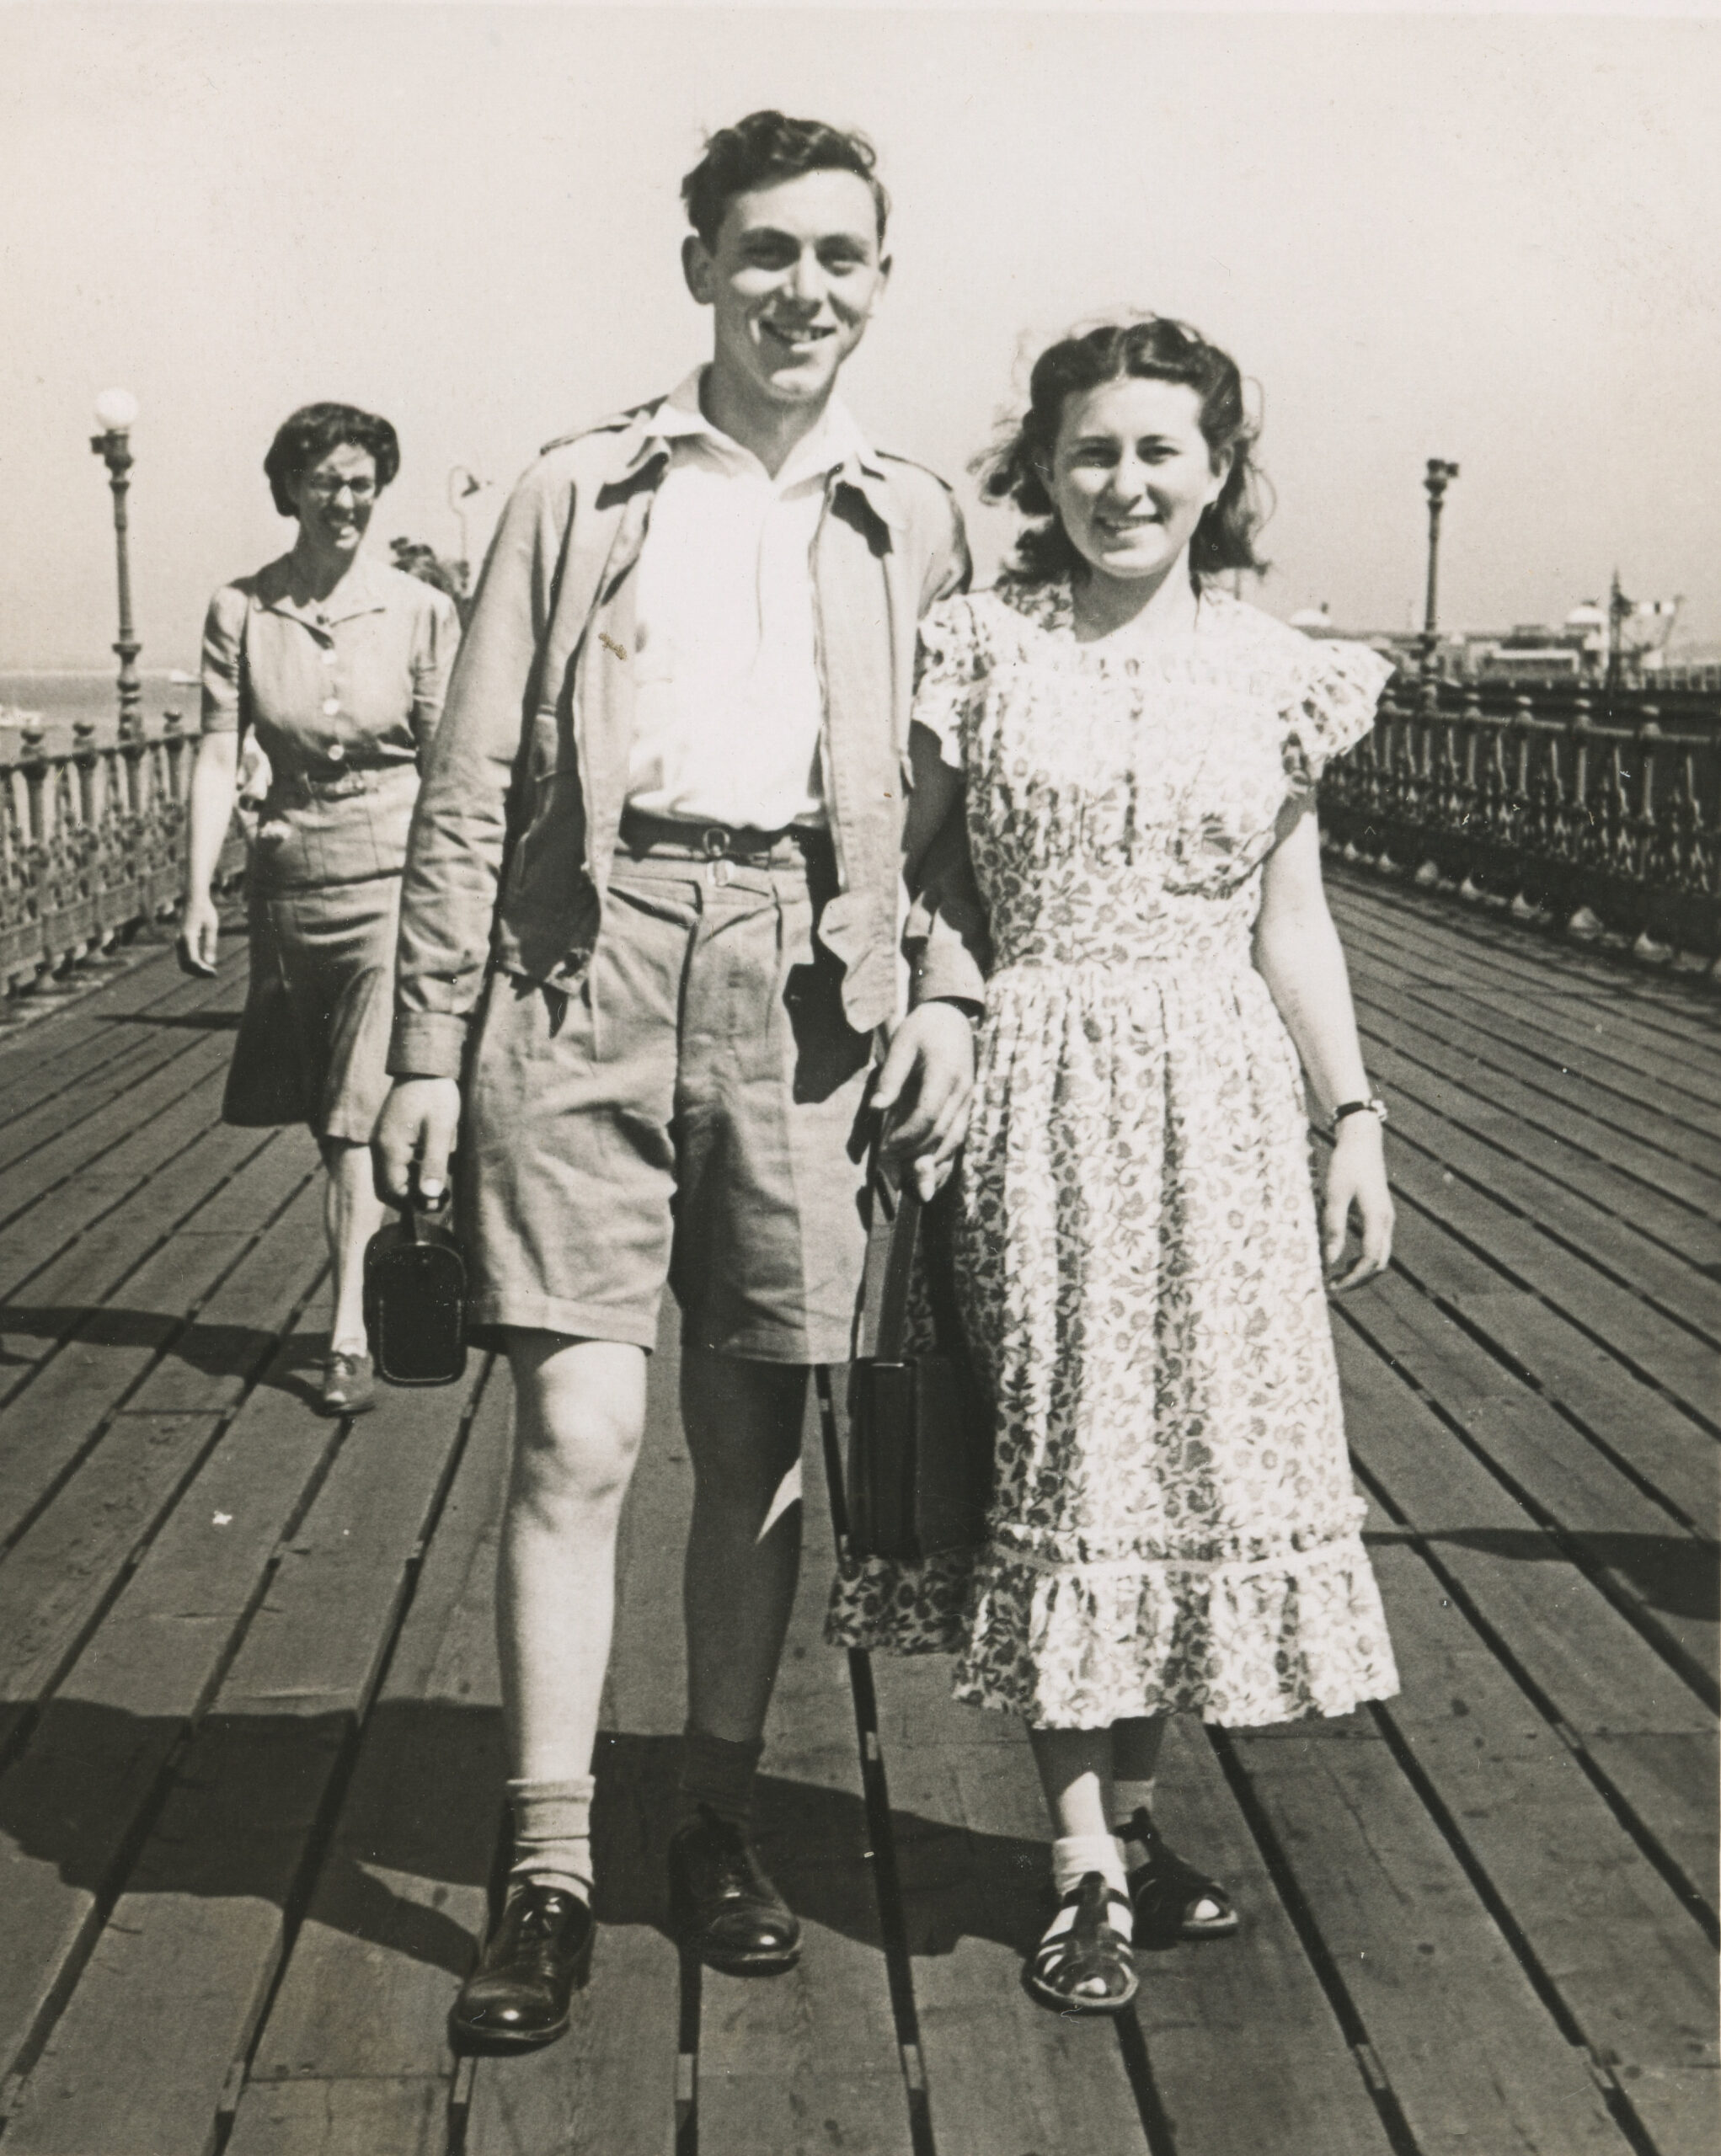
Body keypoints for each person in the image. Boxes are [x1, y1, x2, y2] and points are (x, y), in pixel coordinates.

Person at [374, 112, 986, 2047]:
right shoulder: (576, 489)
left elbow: (960, 809)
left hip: (810, 981)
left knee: (756, 1439)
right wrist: (416, 1043)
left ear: (877, 279)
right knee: (571, 1432)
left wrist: (946, 991)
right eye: (762, 253)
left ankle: (709, 1807)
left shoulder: (918, 517)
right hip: (583, 963)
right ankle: (546, 1855)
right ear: (698, 270)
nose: (800, 288)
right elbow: (473, 780)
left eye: (837, 256)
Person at [852, 316, 1402, 2012]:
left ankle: (1136, 1820)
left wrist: (1354, 1112)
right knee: (1069, 1448)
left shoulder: (1273, 668)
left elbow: (1289, 919)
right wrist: (944, 999)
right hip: (1039, 1083)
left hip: (1221, 1090)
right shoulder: (980, 645)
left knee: (1185, 1463)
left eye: (1160, 449)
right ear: (1041, 468)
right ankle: (1078, 1856)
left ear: (1217, 473)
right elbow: (907, 860)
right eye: (1091, 449)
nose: (1123, 481)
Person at [180, 402, 460, 1417]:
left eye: (363, 482)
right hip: (293, 887)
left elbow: (449, 766)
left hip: (398, 884)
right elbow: (219, 751)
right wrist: (198, 884)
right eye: (327, 482)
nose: (347, 501)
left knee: (354, 1118)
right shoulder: (242, 610)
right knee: (329, 1116)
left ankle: (347, 1328)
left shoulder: (421, 610)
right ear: (290, 488)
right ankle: (418, 1224)